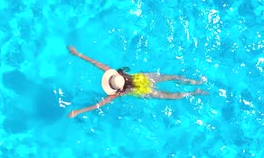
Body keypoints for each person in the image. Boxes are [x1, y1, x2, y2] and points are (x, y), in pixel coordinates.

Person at [66, 45, 208, 118]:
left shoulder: (118, 93)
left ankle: (195, 92)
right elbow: (96, 63)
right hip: (145, 77)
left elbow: (98, 105)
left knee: (171, 96)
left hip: (144, 91)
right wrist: (78, 53)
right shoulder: (118, 73)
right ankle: (197, 82)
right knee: (172, 77)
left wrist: (79, 111)